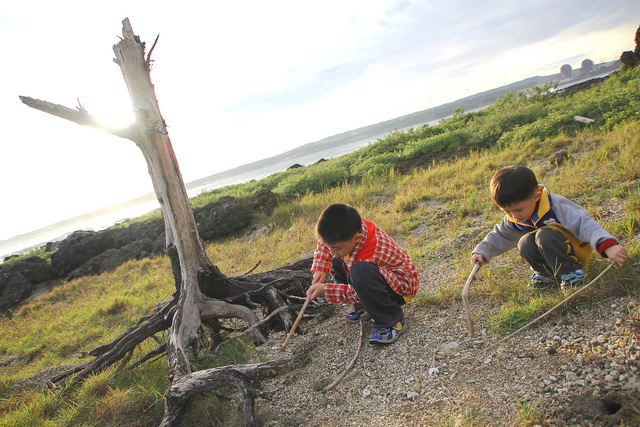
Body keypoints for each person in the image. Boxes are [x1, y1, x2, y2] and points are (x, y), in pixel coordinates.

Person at [471, 166, 627, 290]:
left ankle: (571, 273)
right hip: (550, 253)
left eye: (518, 210)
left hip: (574, 250)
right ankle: (545, 274)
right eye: (506, 211)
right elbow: (501, 235)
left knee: (545, 235)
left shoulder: (556, 206)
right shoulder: (515, 217)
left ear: (536, 197)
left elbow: (584, 224)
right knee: (524, 242)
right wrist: (482, 252)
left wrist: (608, 246)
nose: (514, 215)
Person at [306, 204, 420, 344]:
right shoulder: (350, 229)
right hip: (382, 278)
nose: (331, 252)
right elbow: (324, 243)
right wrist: (320, 267)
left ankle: (392, 321)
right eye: (329, 247)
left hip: (402, 288)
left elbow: (354, 292)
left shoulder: (369, 253)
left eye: (336, 248)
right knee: (337, 260)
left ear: (357, 239)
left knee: (359, 273)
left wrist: (326, 289)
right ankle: (366, 307)